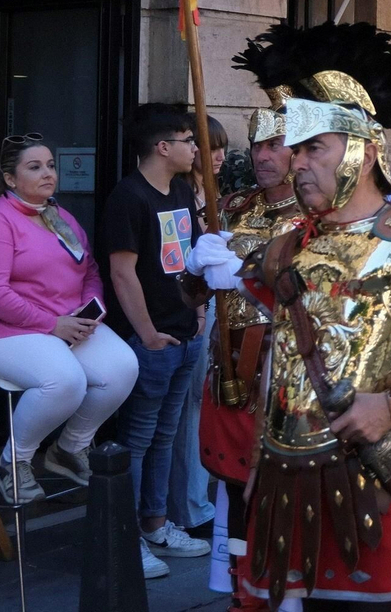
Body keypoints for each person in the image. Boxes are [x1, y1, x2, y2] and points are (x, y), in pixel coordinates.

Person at [190, 20, 391, 610]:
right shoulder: (285, 249)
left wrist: (388, 406)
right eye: (293, 148)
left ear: (361, 149)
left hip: (374, 486)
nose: (296, 161)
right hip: (282, 480)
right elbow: (276, 364)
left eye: (313, 147)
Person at [0, 135, 137, 506]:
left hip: (56, 322)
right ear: (10, 179)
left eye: (50, 164)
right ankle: (12, 464)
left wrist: (88, 311)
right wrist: (54, 324)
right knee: (64, 380)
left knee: (123, 367)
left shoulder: (58, 215)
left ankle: (69, 449)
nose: (48, 173)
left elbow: (90, 271)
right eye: (35, 167)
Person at [189, 46, 303, 612]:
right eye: (257, 144)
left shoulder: (319, 216)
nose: (263, 155)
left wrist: (251, 272)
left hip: (286, 371)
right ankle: (243, 594)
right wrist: (192, 266)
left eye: (275, 144)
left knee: (285, 486)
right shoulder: (229, 207)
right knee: (234, 487)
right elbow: (195, 294)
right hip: (229, 367)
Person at [98, 103, 211, 578]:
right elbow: (122, 272)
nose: (195, 148)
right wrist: (147, 334)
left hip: (186, 333)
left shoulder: (183, 189)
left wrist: (200, 307)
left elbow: (194, 254)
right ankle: (127, 539)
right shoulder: (129, 197)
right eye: (188, 140)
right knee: (139, 438)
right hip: (152, 340)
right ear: (163, 147)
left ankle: (156, 525)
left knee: (166, 436)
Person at [171, 114, 227, 539]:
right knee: (188, 406)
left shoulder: (211, 193)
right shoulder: (179, 196)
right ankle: (190, 505)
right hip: (191, 311)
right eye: (207, 147)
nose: (216, 156)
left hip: (209, 310)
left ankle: (194, 500)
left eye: (219, 147)